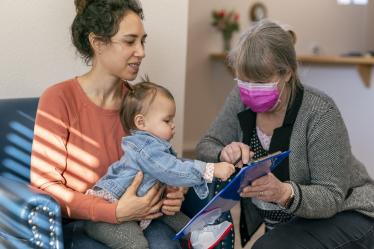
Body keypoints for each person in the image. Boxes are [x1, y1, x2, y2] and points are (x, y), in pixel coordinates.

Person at [196, 19, 374, 249]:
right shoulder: (240, 99)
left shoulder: (320, 112)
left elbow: (331, 197)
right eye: (244, 81)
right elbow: (205, 145)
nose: (250, 89)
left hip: (350, 212)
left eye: (261, 81)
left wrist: (284, 193)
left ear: (287, 73)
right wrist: (224, 153)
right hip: (294, 223)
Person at [30, 1, 186, 248]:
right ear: (98, 43)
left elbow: (157, 161)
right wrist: (114, 212)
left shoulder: (140, 105)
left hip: (142, 219)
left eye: (142, 41)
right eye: (129, 41)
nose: (142, 52)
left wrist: (171, 194)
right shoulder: (58, 99)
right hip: (83, 223)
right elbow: (46, 186)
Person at [83, 80, 235, 249]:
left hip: (139, 208)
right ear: (141, 123)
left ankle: (197, 232)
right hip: (107, 216)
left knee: (170, 212)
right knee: (136, 244)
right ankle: (196, 232)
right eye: (167, 120)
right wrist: (211, 169)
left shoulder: (156, 148)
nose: (173, 125)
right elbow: (172, 169)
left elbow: (176, 165)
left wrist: (178, 188)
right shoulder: (145, 148)